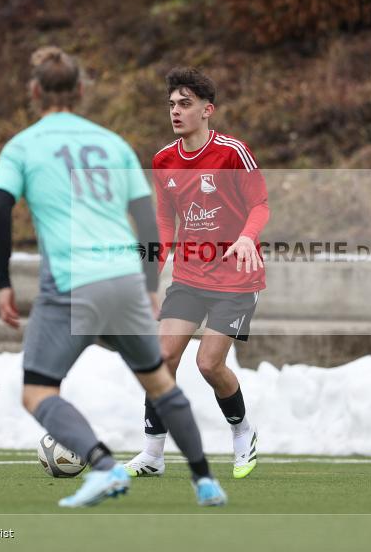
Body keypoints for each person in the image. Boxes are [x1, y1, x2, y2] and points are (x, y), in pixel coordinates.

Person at [0, 47, 226, 507]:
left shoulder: (23, 145)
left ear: (35, 91)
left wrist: (3, 281)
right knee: (159, 382)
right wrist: (151, 284)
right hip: (124, 279)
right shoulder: (112, 143)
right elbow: (148, 218)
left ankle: (103, 466)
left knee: (38, 390)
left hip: (74, 281)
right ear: (80, 91)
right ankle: (205, 481)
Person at [124, 67, 268, 480]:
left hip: (236, 280)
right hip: (190, 276)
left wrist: (245, 238)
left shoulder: (232, 153)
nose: (176, 111)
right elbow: (166, 219)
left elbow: (260, 204)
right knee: (163, 357)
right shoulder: (164, 161)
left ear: (208, 110)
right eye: (172, 104)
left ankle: (242, 432)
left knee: (208, 364)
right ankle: (152, 453)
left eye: (185, 104)